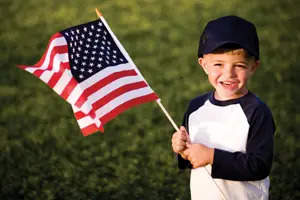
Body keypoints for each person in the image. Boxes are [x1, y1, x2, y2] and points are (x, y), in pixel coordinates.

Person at [171, 15, 275, 200]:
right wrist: (181, 150)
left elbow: (259, 165)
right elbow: (191, 156)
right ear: (204, 65)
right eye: (218, 64)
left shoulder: (257, 112)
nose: (229, 74)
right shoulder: (196, 107)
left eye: (240, 65)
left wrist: (212, 156)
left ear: (254, 67)